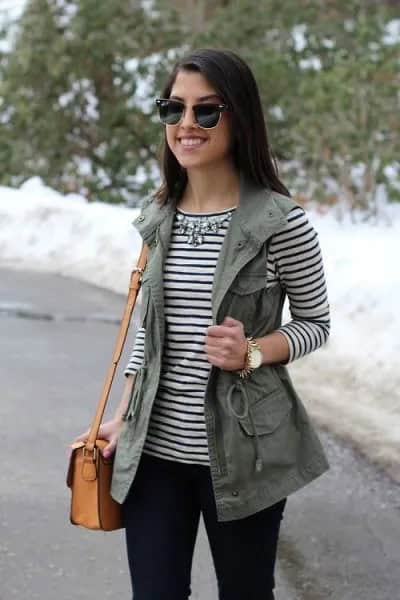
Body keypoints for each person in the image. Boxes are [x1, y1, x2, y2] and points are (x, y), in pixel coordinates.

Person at [73, 48, 330, 600]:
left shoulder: (281, 223)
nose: (186, 125)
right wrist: (123, 417)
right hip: (155, 455)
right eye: (174, 110)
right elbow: (149, 332)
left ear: (239, 117)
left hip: (243, 456)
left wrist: (254, 352)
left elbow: (315, 322)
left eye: (206, 111)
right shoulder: (158, 213)